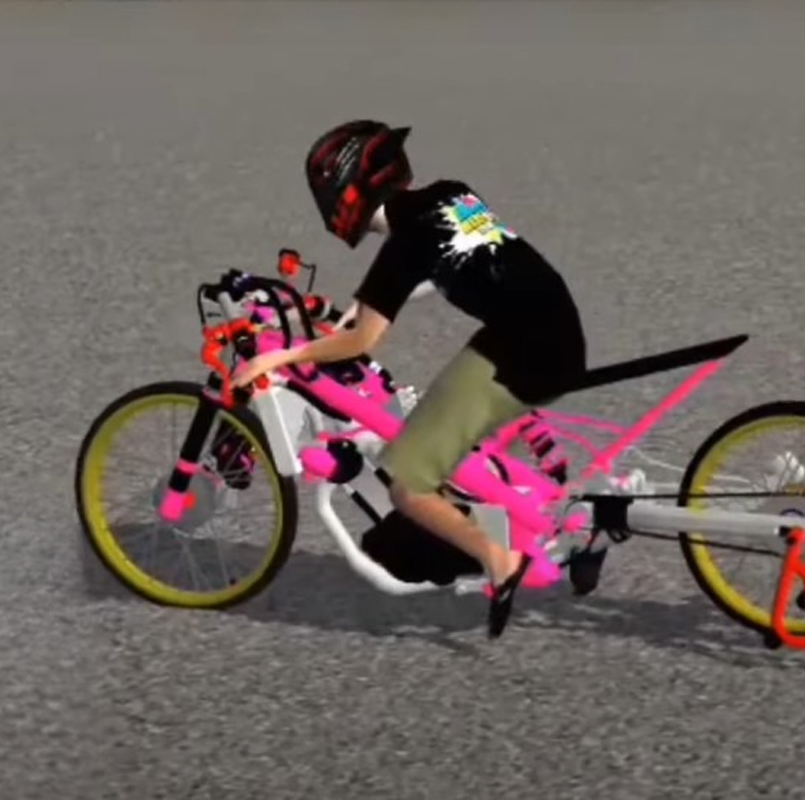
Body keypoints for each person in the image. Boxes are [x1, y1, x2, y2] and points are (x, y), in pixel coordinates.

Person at [231, 119, 588, 638]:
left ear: (344, 196)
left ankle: (500, 560)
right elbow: (448, 261)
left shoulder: (402, 247)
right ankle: (491, 514)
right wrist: (365, 304)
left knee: (407, 487)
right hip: (556, 330)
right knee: (448, 432)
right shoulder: (451, 195)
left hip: (520, 349)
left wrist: (282, 356)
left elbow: (361, 343)